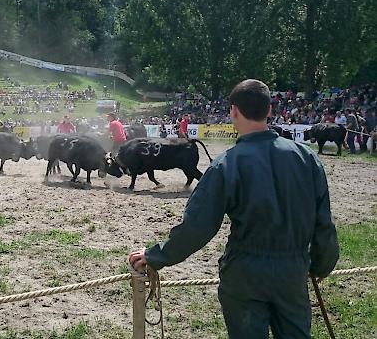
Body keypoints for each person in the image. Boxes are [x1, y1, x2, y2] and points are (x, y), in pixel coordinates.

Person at [128, 79, 339, 339]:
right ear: (269, 110)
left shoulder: (226, 164)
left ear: (233, 111)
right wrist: (321, 265)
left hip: (245, 273)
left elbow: (198, 226)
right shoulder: (307, 158)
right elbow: (324, 223)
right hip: (292, 271)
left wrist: (156, 255)